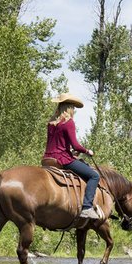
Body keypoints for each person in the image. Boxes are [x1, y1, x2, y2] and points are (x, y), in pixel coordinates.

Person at [44, 92, 102, 220]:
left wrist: (70, 151)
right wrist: (87, 151)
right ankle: (87, 208)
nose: (74, 110)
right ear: (69, 108)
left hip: (47, 159)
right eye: (73, 108)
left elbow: (56, 144)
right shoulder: (68, 123)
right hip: (62, 159)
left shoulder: (51, 123)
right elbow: (75, 145)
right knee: (94, 175)